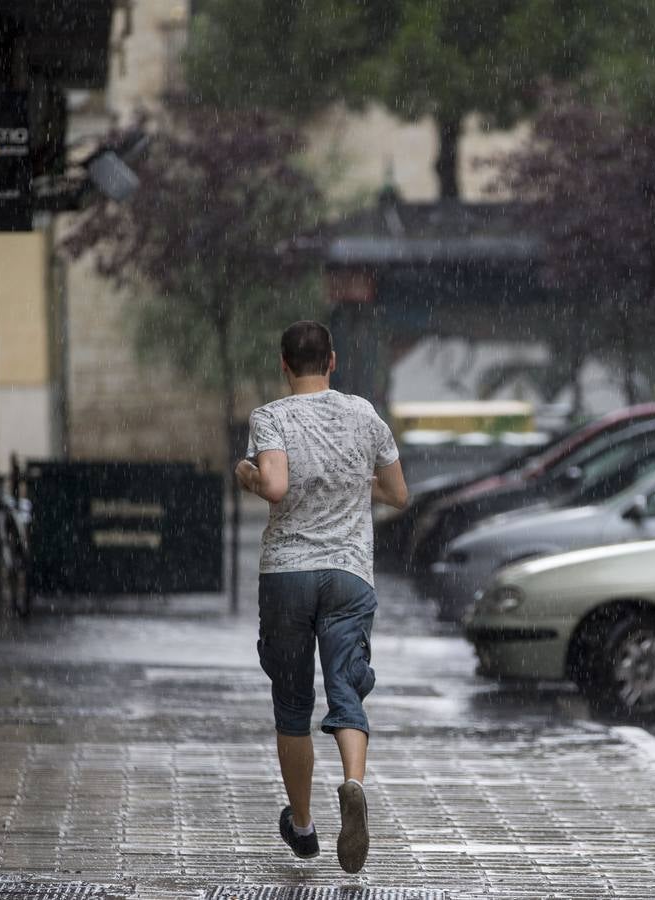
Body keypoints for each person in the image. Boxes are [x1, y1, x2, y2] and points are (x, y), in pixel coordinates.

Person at [235, 321, 408, 873]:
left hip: (288, 573)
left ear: (284, 364)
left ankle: (304, 826)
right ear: (331, 361)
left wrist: (247, 475)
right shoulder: (364, 414)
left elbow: (276, 485)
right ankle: (353, 783)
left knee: (292, 704)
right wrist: (357, 483)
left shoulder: (271, 417)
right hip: (349, 573)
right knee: (347, 682)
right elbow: (399, 494)